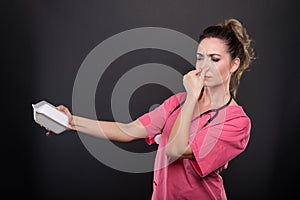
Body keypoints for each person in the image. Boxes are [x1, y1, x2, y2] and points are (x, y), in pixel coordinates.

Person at [46, 18, 255, 199]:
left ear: (234, 64)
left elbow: (175, 150)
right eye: (200, 58)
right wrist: (71, 122)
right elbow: (128, 130)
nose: (203, 67)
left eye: (215, 59)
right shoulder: (179, 101)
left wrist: (192, 97)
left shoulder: (236, 123)